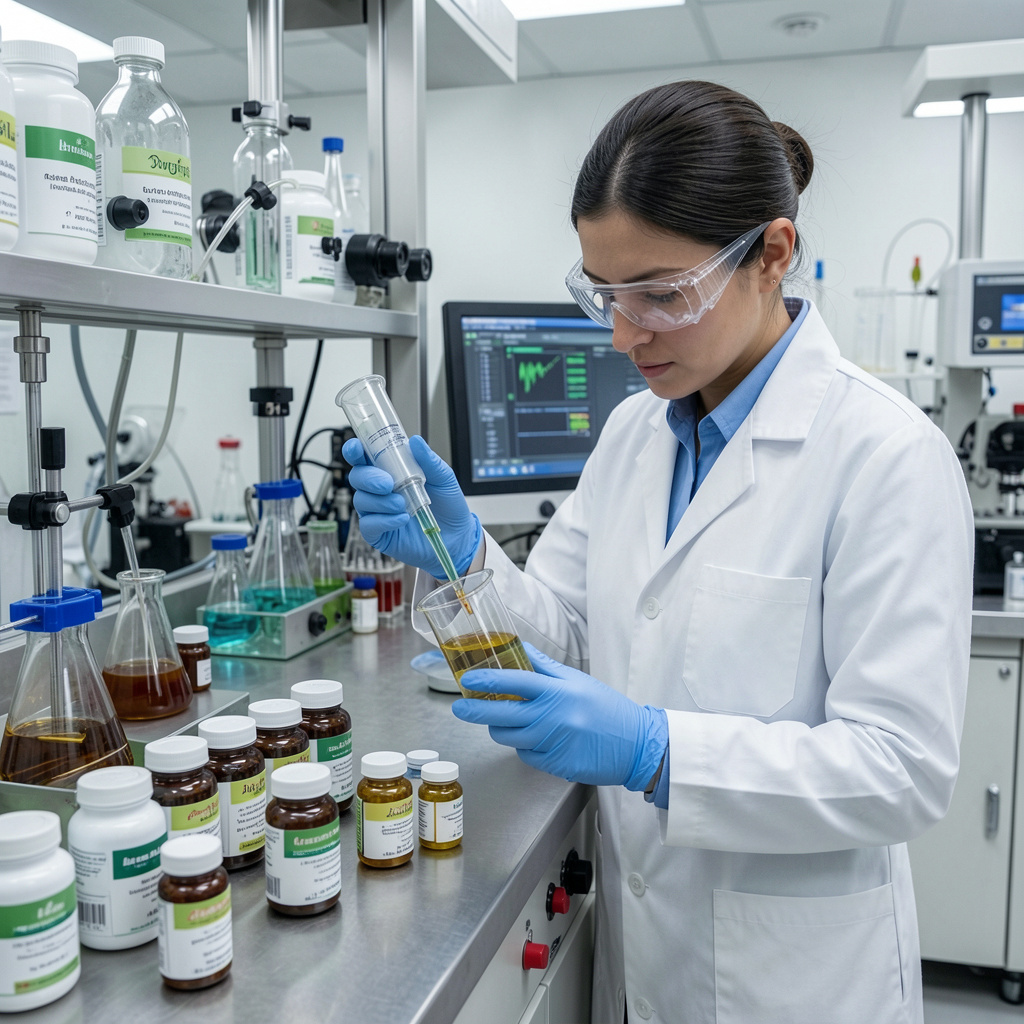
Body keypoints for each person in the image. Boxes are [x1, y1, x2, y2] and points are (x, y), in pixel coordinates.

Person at [344, 80, 973, 1024]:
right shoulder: (636, 435)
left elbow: (900, 770)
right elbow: (564, 634)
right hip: (644, 957)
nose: (623, 333)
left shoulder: (886, 456)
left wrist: (655, 751)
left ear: (772, 255)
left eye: (661, 293)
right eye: (602, 292)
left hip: (793, 983)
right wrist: (466, 551)